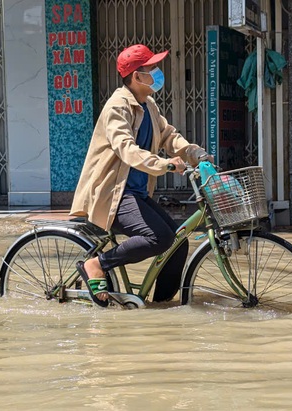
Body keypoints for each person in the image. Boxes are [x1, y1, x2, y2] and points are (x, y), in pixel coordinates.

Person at [70, 44, 210, 307]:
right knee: (159, 238)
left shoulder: (148, 105)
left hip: (136, 193)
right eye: (152, 68)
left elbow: (169, 136)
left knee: (178, 243)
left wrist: (195, 153)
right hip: (114, 194)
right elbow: (127, 150)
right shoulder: (117, 107)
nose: (158, 73)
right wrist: (166, 164)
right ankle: (97, 264)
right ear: (136, 76)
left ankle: (163, 307)